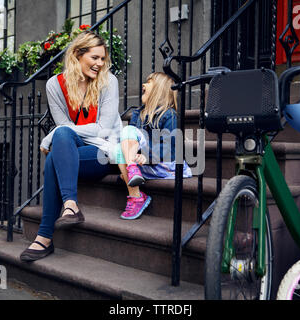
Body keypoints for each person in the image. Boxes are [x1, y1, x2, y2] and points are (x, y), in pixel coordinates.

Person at [20, 31, 122, 262]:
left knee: (55, 153)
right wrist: (58, 133)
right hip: (73, 149)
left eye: (103, 59)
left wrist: (54, 135)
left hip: (105, 151)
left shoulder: (109, 81)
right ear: (77, 54)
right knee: (62, 136)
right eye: (94, 58)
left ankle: (44, 237)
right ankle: (70, 206)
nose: (100, 64)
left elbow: (103, 129)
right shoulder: (55, 85)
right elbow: (64, 128)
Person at [115, 72, 192, 220]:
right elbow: (131, 142)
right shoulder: (138, 114)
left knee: (127, 130)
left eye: (149, 82)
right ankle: (136, 196)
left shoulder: (169, 115)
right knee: (118, 148)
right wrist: (137, 155)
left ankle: (129, 170)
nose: (143, 85)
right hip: (145, 165)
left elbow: (170, 147)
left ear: (160, 89)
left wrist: (147, 155)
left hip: (166, 165)